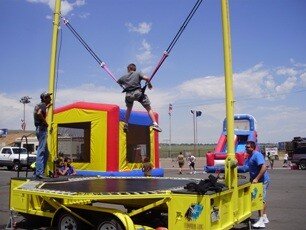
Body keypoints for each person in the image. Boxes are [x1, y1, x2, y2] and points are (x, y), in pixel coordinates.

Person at [117, 63, 162, 133]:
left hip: (128, 95)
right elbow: (147, 78)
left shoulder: (124, 77)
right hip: (138, 94)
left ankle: (126, 123)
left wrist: (125, 84)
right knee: (148, 108)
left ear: (129, 69)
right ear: (134, 69)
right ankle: (155, 124)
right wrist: (149, 84)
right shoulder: (138, 73)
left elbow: (118, 82)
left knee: (129, 109)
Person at [245, 141, 270, 228]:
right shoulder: (250, 156)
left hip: (262, 180)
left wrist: (256, 178)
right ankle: (265, 217)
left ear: (252, 147)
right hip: (257, 180)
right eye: (246, 147)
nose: (246, 148)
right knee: (262, 199)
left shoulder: (257, 155)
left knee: (259, 199)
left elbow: (264, 167)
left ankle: (261, 220)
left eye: (247, 147)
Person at [33, 92, 52, 179]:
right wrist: (45, 122)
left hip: (38, 129)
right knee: (41, 151)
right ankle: (39, 173)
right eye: (48, 97)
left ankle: (38, 172)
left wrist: (48, 106)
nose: (50, 98)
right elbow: (39, 113)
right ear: (44, 99)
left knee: (46, 153)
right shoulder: (43, 105)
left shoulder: (40, 105)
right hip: (42, 129)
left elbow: (39, 111)